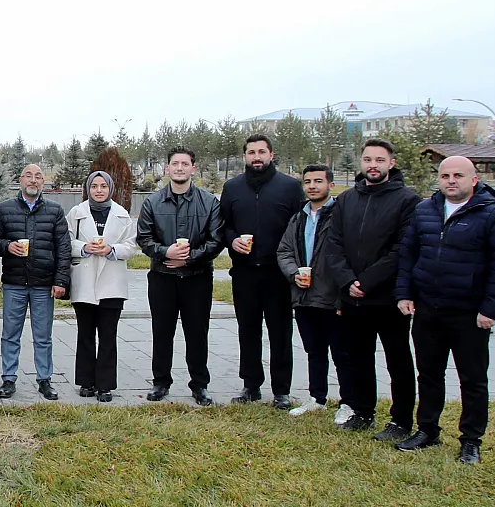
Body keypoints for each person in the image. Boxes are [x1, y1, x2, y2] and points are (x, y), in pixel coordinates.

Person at [395, 156, 495, 465]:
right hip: (428, 309)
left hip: (469, 313)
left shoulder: (493, 214)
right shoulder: (425, 210)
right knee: (429, 374)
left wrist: (492, 308)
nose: (451, 180)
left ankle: (471, 441)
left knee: (472, 379)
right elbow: (408, 253)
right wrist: (404, 293)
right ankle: (427, 430)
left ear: (474, 179)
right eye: (445, 175)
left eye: (458, 175)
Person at [324, 138, 421, 439]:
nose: (373, 165)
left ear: (391, 163)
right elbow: (333, 244)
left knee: (398, 360)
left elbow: (402, 248)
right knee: (358, 357)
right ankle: (363, 411)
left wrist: (366, 281)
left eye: (380, 160)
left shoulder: (407, 200)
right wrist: (347, 281)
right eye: (368, 159)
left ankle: (401, 420)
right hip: (352, 297)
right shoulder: (346, 199)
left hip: (387, 297)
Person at [220, 135, 304, 409]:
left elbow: (300, 228)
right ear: (245, 156)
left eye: (261, 152)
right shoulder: (232, 188)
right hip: (244, 273)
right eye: (251, 152)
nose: (256, 157)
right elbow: (224, 225)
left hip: (278, 275)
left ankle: (281, 390)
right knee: (248, 331)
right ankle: (251, 385)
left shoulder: (290, 187)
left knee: (281, 333)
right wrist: (232, 240)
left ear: (271, 155)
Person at [137, 146, 223, 407]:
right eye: (175, 163)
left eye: (185, 164)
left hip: (197, 277)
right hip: (162, 277)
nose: (179, 168)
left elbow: (216, 240)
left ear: (193, 169)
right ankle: (161, 382)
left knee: (197, 333)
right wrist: (166, 252)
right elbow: (144, 238)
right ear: (167, 168)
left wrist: (189, 257)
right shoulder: (153, 202)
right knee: (162, 332)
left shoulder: (209, 202)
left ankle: (200, 384)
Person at [277, 164, 355, 421]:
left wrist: (343, 294)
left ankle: (348, 402)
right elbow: (284, 251)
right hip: (305, 297)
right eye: (308, 181)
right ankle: (317, 398)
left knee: (342, 353)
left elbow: (349, 255)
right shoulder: (299, 217)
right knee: (314, 350)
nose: (312, 186)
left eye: (318, 181)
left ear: (330, 185)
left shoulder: (341, 215)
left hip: (333, 297)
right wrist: (293, 274)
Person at [0, 164, 69, 401]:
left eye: (38, 177)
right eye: (28, 176)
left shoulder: (55, 211)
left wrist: (61, 280)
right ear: (20, 180)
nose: (33, 180)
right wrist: (7, 246)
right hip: (14, 282)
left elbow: (63, 248)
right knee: (10, 334)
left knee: (43, 335)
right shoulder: (4, 209)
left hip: (43, 284)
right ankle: (8, 379)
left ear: (43, 182)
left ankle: (44, 379)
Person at [66, 170, 139, 402]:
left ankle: (105, 385)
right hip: (84, 282)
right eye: (94, 186)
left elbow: (131, 246)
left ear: (110, 189)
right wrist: (83, 248)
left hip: (112, 284)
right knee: (85, 335)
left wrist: (111, 250)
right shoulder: (77, 213)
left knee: (108, 337)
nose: (99, 190)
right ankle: (86, 382)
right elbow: (66, 241)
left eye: (103, 186)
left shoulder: (122, 214)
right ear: (88, 189)